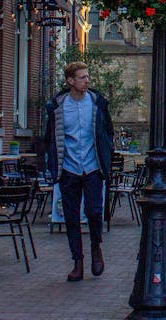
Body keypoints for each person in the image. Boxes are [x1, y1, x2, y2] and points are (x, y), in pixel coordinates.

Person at [42, 60, 115, 282]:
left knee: (94, 211)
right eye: (82, 77)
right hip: (69, 168)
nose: (87, 81)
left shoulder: (97, 104)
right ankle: (78, 262)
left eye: (87, 77)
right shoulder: (58, 107)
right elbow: (50, 137)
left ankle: (96, 248)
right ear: (70, 81)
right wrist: (52, 164)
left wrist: (107, 155)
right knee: (71, 216)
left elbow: (108, 131)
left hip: (92, 166)